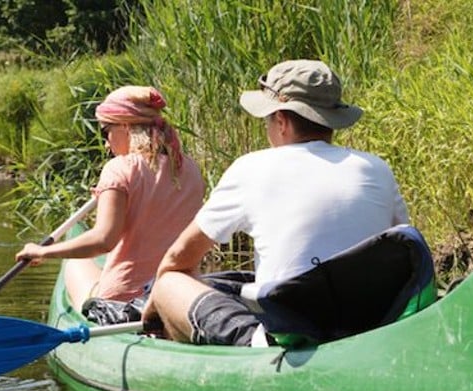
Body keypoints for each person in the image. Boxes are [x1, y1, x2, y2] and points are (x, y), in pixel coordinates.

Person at [142, 60, 411, 346]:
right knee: (233, 283)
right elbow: (403, 245)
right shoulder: (376, 168)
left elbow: (178, 259)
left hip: (289, 337)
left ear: (281, 120)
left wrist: (155, 304)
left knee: (170, 281)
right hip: (368, 326)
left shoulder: (251, 168)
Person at [15, 86, 204, 324]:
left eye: (106, 131)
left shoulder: (119, 168)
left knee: (75, 262)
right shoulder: (191, 170)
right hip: (179, 297)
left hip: (123, 302)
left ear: (125, 126)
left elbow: (103, 240)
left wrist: (42, 251)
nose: (105, 144)